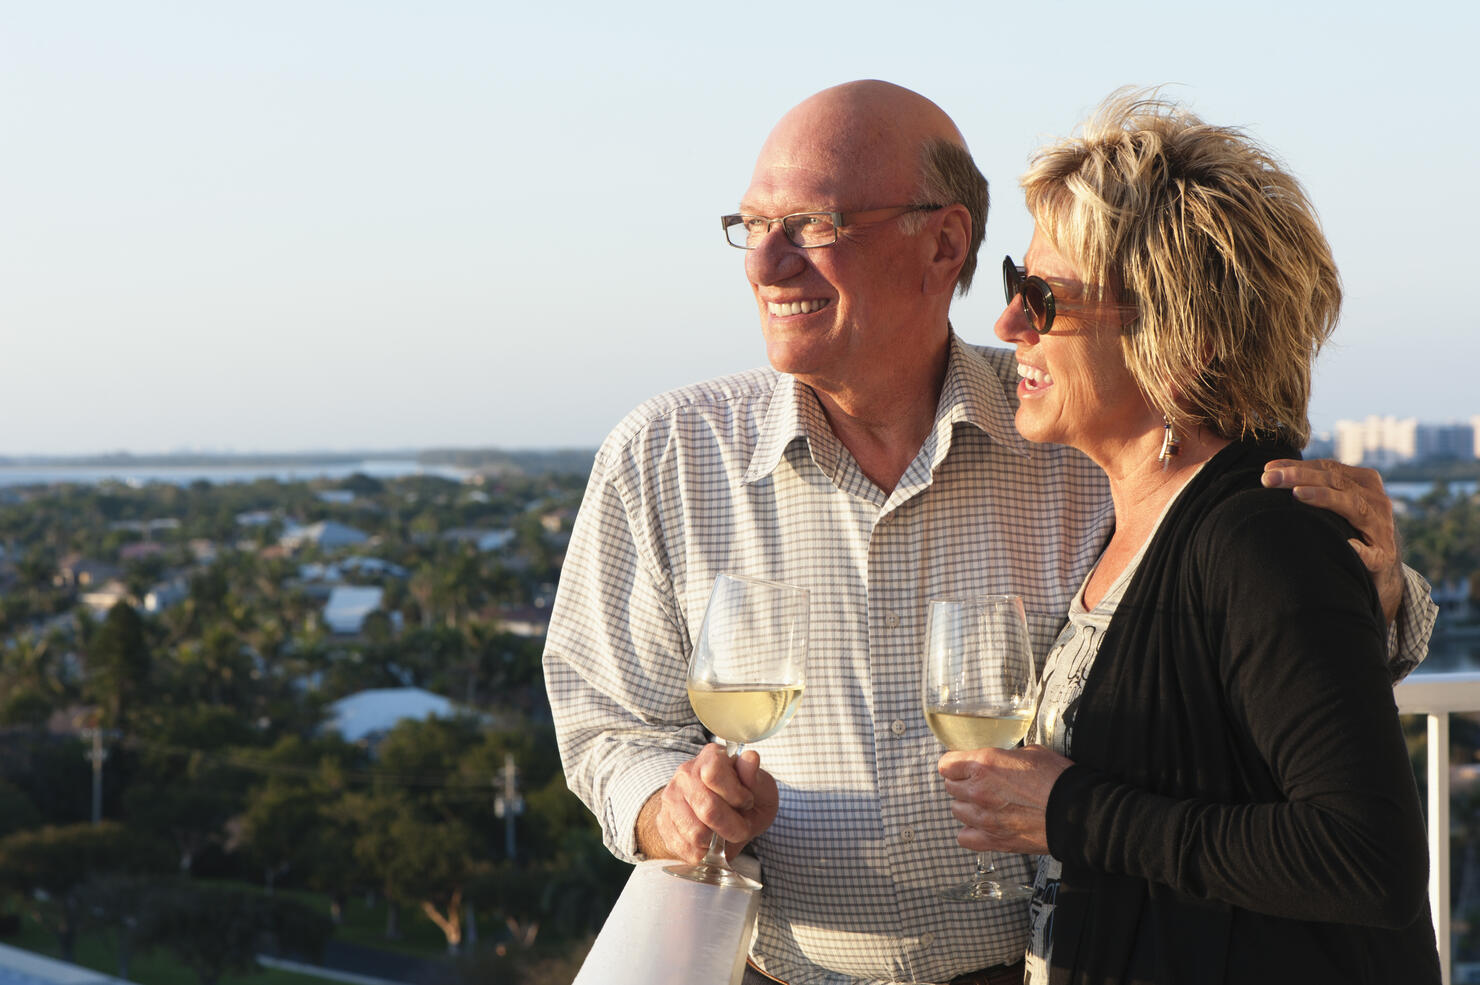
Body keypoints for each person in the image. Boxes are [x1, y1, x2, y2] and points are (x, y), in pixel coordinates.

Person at [543, 80, 1436, 985]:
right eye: (752, 224)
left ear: (944, 242)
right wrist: (665, 807)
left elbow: (1264, 633)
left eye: (811, 224)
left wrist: (1379, 587)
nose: (765, 264)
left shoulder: (1079, 433)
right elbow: (605, 723)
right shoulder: (665, 455)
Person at [939, 91, 1441, 983]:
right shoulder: (1139, 527)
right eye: (1017, 283)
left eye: (1043, 297)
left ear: (1186, 341)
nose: (1008, 323)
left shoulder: (1261, 537)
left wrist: (1073, 811)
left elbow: (1368, 856)